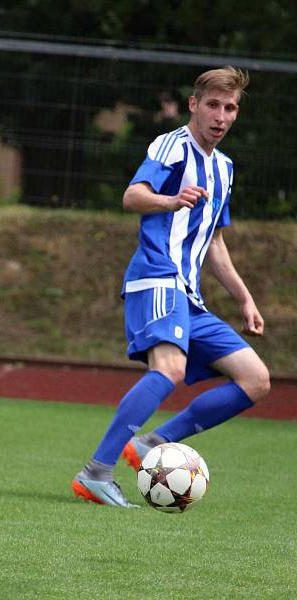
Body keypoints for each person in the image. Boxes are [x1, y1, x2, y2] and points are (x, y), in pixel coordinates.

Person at [72, 66, 270, 508]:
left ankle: (151, 443)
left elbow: (213, 240)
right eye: (213, 105)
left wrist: (244, 297)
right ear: (194, 105)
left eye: (230, 108)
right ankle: (96, 473)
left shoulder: (224, 167)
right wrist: (171, 199)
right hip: (157, 277)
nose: (221, 116)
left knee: (256, 380)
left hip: (190, 295)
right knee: (169, 369)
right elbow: (133, 196)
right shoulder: (172, 145)